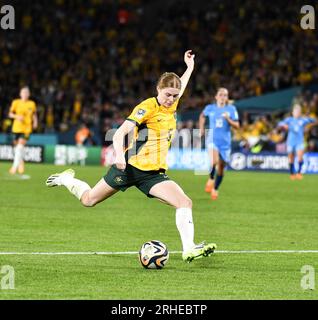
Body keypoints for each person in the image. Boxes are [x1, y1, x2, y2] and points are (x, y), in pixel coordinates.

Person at [46, 50, 216, 263]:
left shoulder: (172, 103)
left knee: (184, 202)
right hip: (128, 167)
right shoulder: (147, 107)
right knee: (89, 200)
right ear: (158, 90)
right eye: (168, 95)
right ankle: (67, 179)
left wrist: (189, 67)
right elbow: (119, 133)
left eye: (175, 95)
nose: (171, 100)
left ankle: (189, 248)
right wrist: (119, 156)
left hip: (152, 174)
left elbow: (180, 85)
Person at [199, 88, 240, 200]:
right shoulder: (210, 108)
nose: (223, 97)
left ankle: (215, 189)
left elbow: (237, 125)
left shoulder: (231, 109)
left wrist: (228, 119)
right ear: (216, 97)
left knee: (221, 168)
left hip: (225, 143)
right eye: (221, 95)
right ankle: (211, 178)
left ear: (227, 98)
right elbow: (202, 116)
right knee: (214, 161)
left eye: (225, 95)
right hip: (212, 140)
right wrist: (201, 129)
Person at [277, 104, 317, 180]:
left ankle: (299, 173)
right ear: (293, 112)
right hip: (290, 142)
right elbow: (280, 123)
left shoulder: (303, 120)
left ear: (300, 112)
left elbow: (314, 120)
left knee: (300, 158)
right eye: (295, 111)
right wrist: (284, 126)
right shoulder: (289, 120)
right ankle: (292, 173)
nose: (297, 113)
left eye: (298, 111)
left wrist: (309, 126)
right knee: (291, 158)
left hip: (299, 142)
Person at [8, 86, 38, 175]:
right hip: (16, 128)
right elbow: (10, 114)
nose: (24, 94)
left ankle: (14, 167)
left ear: (29, 94)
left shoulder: (32, 104)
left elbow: (34, 114)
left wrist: (35, 122)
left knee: (20, 147)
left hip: (26, 128)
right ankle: (21, 162)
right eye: (23, 93)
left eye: (26, 93)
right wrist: (17, 116)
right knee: (16, 148)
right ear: (20, 94)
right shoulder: (16, 102)